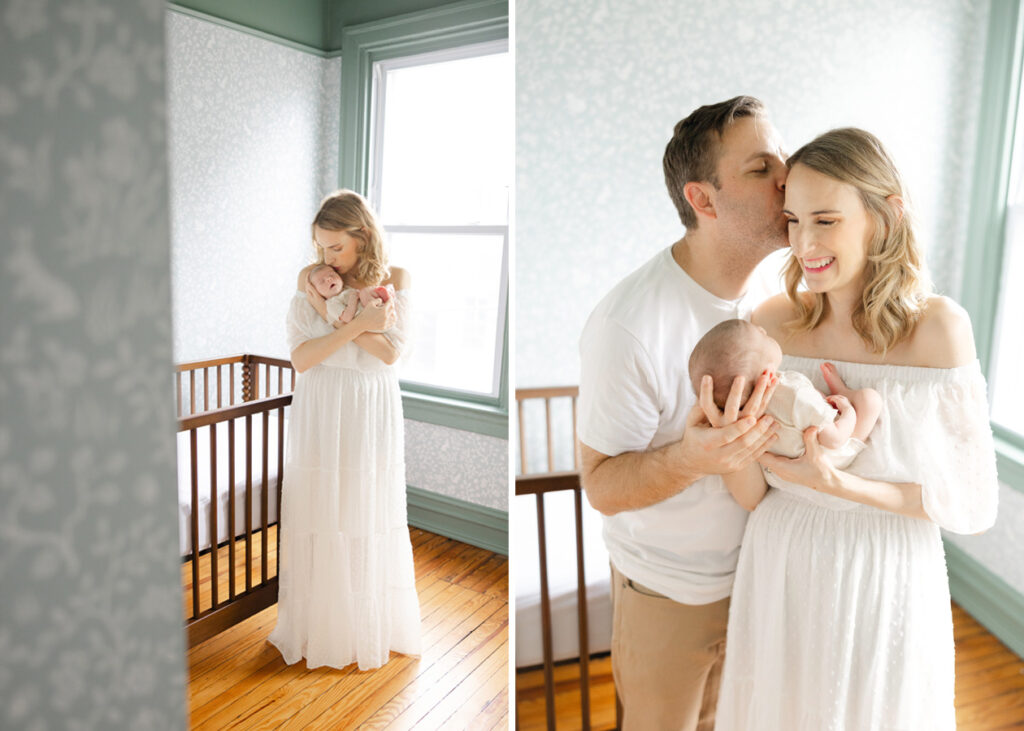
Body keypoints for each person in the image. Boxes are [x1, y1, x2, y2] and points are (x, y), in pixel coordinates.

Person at [712, 128, 999, 729]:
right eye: (792, 221)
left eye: (825, 220)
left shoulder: (938, 329)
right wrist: (728, 442)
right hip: (781, 559)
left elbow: (966, 501)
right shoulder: (768, 325)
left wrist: (839, 487)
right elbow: (753, 495)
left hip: (885, 565)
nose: (803, 244)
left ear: (884, 215)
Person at [577, 96, 787, 730]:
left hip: (766, 581)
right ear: (704, 200)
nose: (786, 177)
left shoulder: (785, 301)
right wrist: (692, 458)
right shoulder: (630, 324)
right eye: (760, 168)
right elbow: (602, 486)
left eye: (782, 159)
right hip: (670, 596)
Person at [267, 189, 421, 671]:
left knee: (364, 507)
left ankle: (364, 623)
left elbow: (392, 354)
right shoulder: (312, 279)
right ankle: (323, 624)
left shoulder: (394, 279)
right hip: (322, 399)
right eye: (320, 246)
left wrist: (338, 319)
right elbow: (302, 359)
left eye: (336, 247)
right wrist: (358, 325)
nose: (326, 257)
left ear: (363, 236)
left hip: (368, 403)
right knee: (322, 508)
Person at [687, 318, 882, 510]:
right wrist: (848, 410)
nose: (763, 329)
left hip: (780, 477)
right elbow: (835, 439)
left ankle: (827, 402)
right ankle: (843, 393)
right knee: (870, 400)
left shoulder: (741, 418)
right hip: (830, 461)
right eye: (763, 336)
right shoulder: (795, 392)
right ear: (768, 374)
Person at [307, 262, 394, 333]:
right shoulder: (332, 304)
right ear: (318, 292)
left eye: (332, 275)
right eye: (322, 281)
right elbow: (347, 318)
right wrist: (353, 300)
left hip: (380, 315)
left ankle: (385, 298)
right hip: (370, 321)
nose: (329, 279)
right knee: (365, 293)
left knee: (366, 292)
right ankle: (385, 297)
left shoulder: (345, 290)